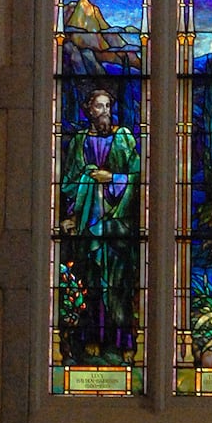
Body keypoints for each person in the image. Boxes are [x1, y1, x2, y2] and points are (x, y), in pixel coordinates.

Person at [60, 86, 140, 362]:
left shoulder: (124, 138)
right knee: (91, 280)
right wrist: (70, 215)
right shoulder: (79, 141)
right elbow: (69, 182)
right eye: (99, 107)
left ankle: (124, 340)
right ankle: (92, 337)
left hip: (118, 224)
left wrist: (112, 179)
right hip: (88, 222)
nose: (105, 112)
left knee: (119, 284)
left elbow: (138, 177)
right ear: (88, 110)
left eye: (108, 106)